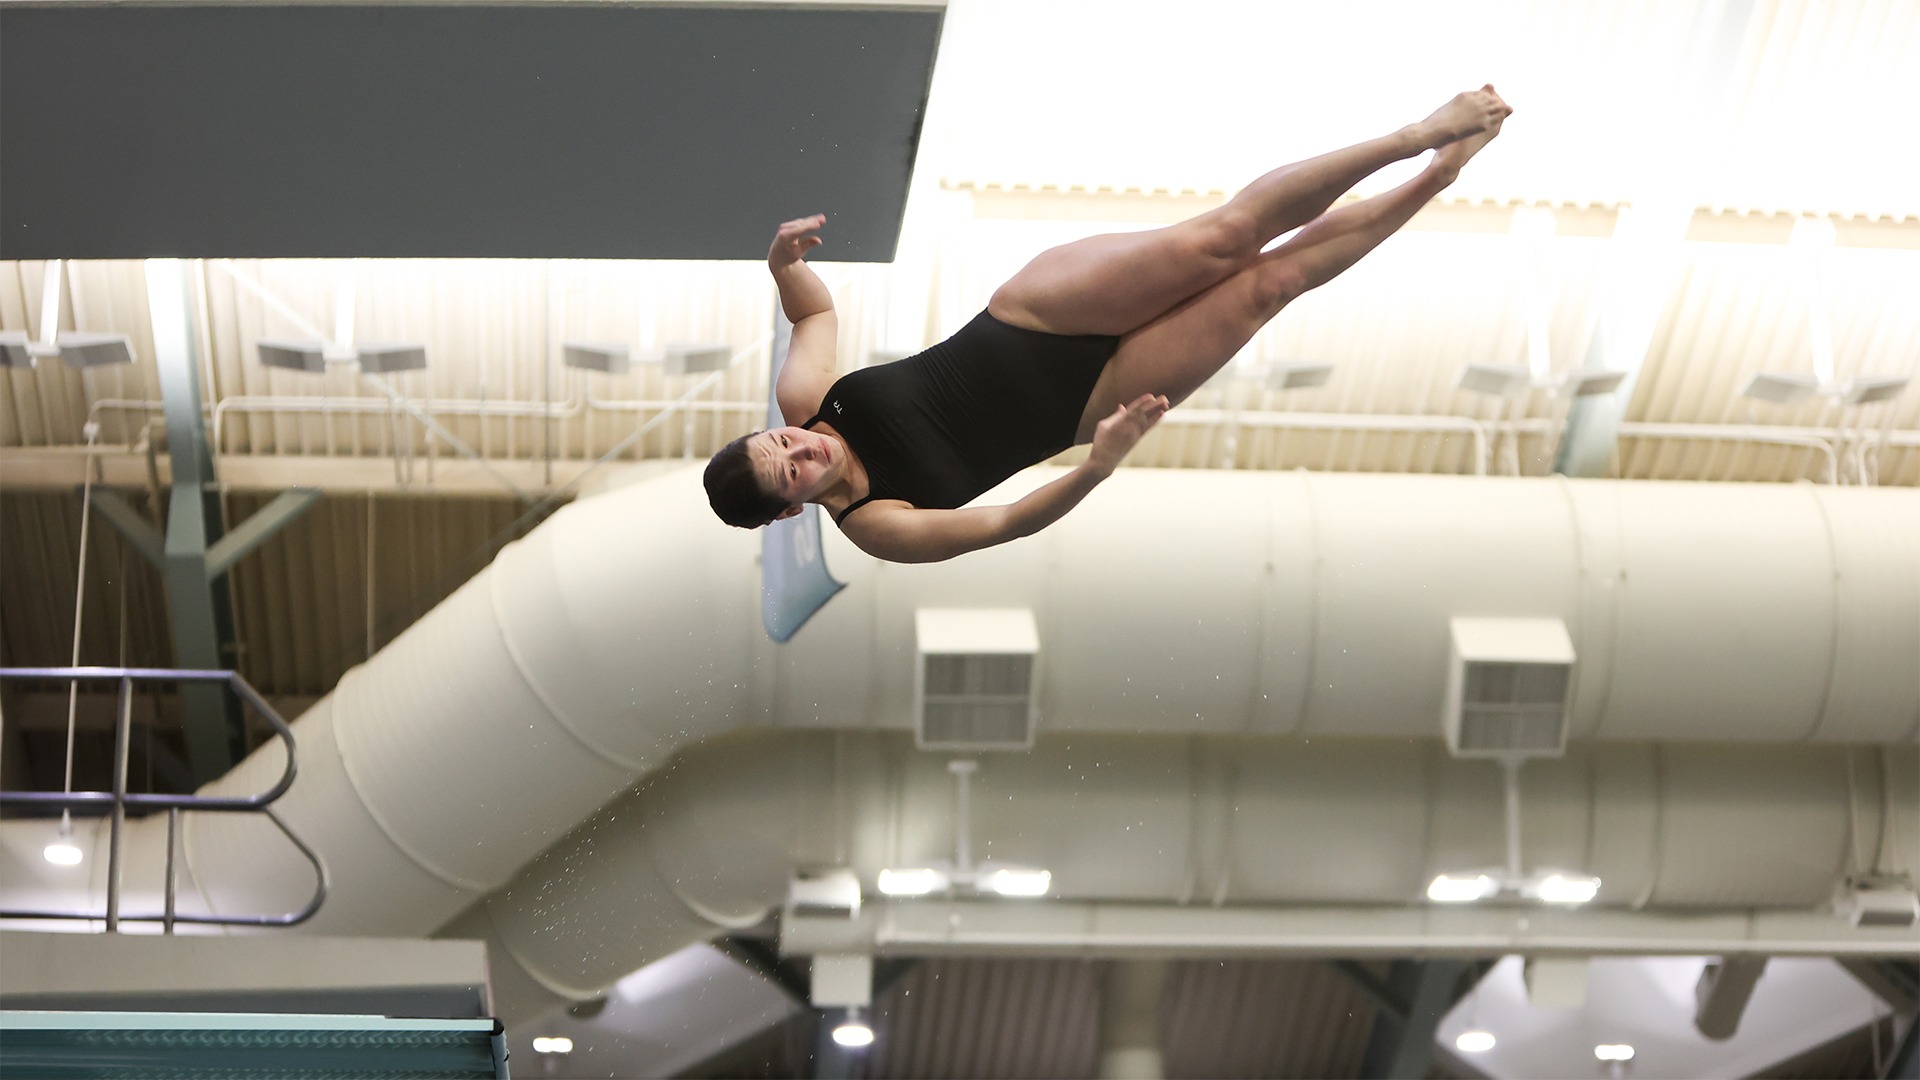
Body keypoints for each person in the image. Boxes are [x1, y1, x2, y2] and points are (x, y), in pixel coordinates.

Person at [706, 87, 1511, 563]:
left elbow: (813, 310)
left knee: (1224, 241)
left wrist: (783, 266)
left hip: (1031, 315)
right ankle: (1441, 175)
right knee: (1270, 287)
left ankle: (1418, 136)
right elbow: (1008, 522)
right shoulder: (876, 525)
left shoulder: (807, 395)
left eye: (779, 443)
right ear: (790, 510)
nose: (801, 448)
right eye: (792, 473)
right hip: (1090, 404)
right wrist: (1099, 464)